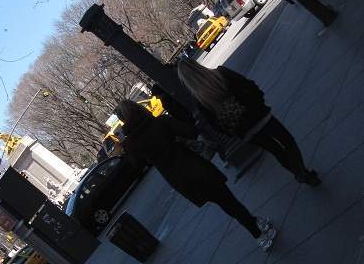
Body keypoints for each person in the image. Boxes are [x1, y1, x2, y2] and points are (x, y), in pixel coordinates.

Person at [115, 100, 278, 249]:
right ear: (138, 109)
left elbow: (136, 165)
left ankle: (256, 222)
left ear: (124, 120)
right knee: (228, 201)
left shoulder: (131, 144)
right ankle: (258, 234)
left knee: (224, 202)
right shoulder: (160, 122)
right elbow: (190, 131)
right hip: (194, 167)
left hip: (178, 180)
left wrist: (125, 145)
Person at [173, 58, 323, 186]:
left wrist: (234, 130)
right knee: (287, 141)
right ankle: (302, 172)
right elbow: (248, 84)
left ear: (187, 80)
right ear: (198, 65)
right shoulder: (220, 73)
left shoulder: (201, 101)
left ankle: (299, 174)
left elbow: (215, 126)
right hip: (259, 116)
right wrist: (259, 101)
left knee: (275, 150)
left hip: (246, 131)